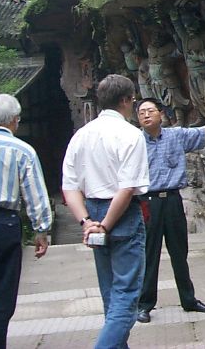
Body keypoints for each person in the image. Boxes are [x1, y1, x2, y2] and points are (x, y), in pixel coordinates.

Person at [135, 98, 205, 323]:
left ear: (161, 113)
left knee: (180, 251)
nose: (146, 115)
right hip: (149, 201)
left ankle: (188, 299)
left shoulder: (175, 136)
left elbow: (203, 131)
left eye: (150, 111)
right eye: (141, 112)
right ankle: (145, 304)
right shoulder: (135, 142)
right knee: (150, 253)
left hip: (173, 200)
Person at [62, 74, 150, 349]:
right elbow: (127, 188)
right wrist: (106, 224)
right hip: (120, 213)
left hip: (92, 210)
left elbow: (69, 186)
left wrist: (87, 222)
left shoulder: (82, 135)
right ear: (125, 100)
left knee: (110, 293)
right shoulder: (131, 135)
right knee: (126, 295)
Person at [0, 94, 52, 349]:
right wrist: (41, 229)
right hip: (4, 225)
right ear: (15, 120)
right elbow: (35, 193)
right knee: (3, 291)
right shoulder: (23, 151)